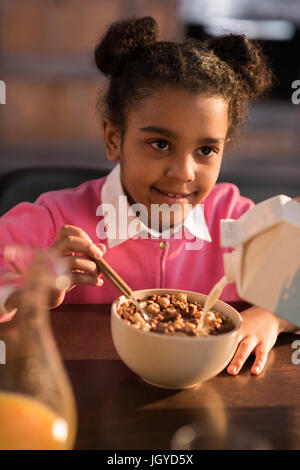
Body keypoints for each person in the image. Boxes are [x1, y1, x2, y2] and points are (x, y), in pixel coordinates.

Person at [0, 16, 298, 376]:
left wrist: (272, 315)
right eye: (160, 144)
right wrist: (29, 292)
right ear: (114, 139)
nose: (184, 172)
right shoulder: (52, 222)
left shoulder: (238, 221)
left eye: (206, 150)